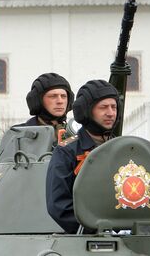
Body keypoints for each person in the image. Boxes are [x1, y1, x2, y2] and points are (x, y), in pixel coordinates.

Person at [46, 79, 119, 233]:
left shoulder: (121, 148)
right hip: (85, 238)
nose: (111, 113)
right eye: (103, 107)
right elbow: (58, 205)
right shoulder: (67, 151)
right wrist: (94, 229)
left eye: (114, 107)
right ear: (86, 111)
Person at [18, 72, 75, 143]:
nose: (60, 101)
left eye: (63, 96)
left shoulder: (75, 134)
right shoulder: (20, 135)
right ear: (38, 101)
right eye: (53, 96)